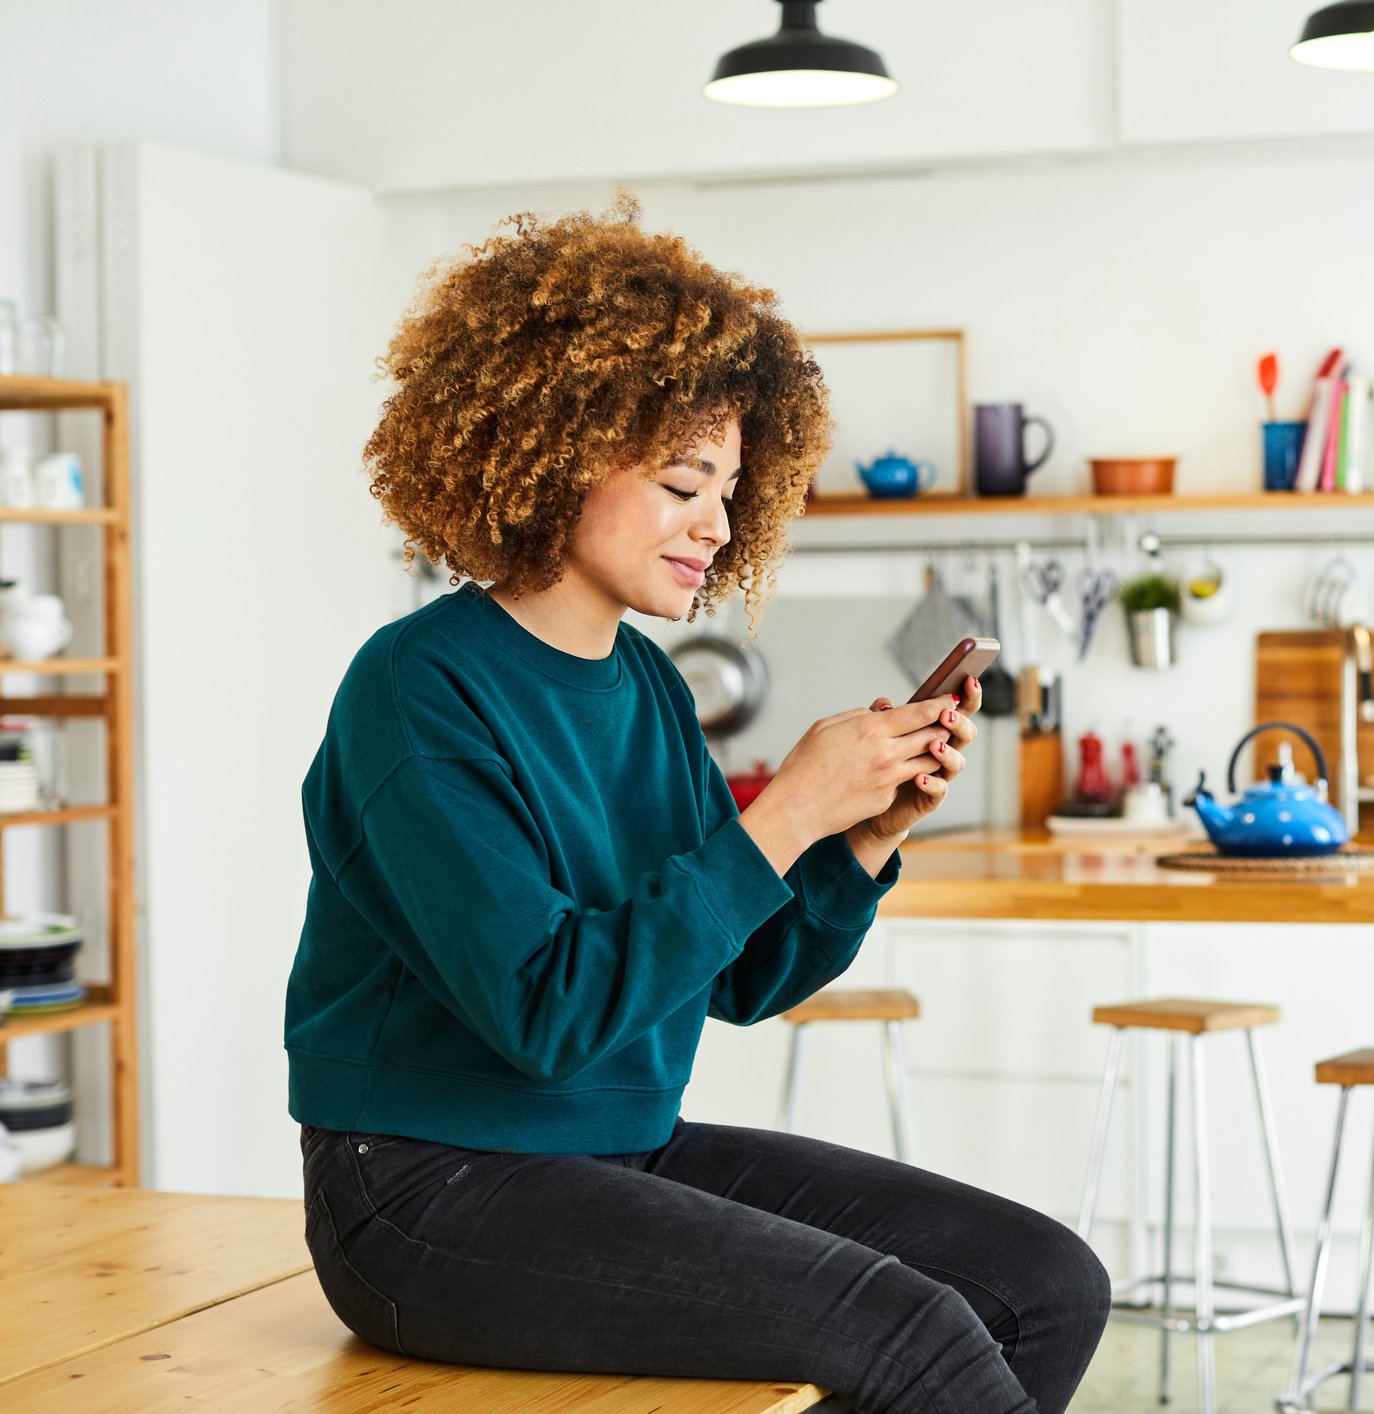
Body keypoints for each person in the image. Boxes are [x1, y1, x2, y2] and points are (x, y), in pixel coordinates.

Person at [282, 194, 1110, 1413]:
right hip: (420, 1192)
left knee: (1042, 1280)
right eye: (684, 482)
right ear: (554, 448)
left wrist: (860, 837)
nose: (718, 528)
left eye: (730, 488)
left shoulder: (651, 691)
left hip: (613, 1153)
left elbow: (740, 976)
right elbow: (546, 1013)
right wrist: (782, 812)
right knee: (913, 1335)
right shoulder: (414, 690)